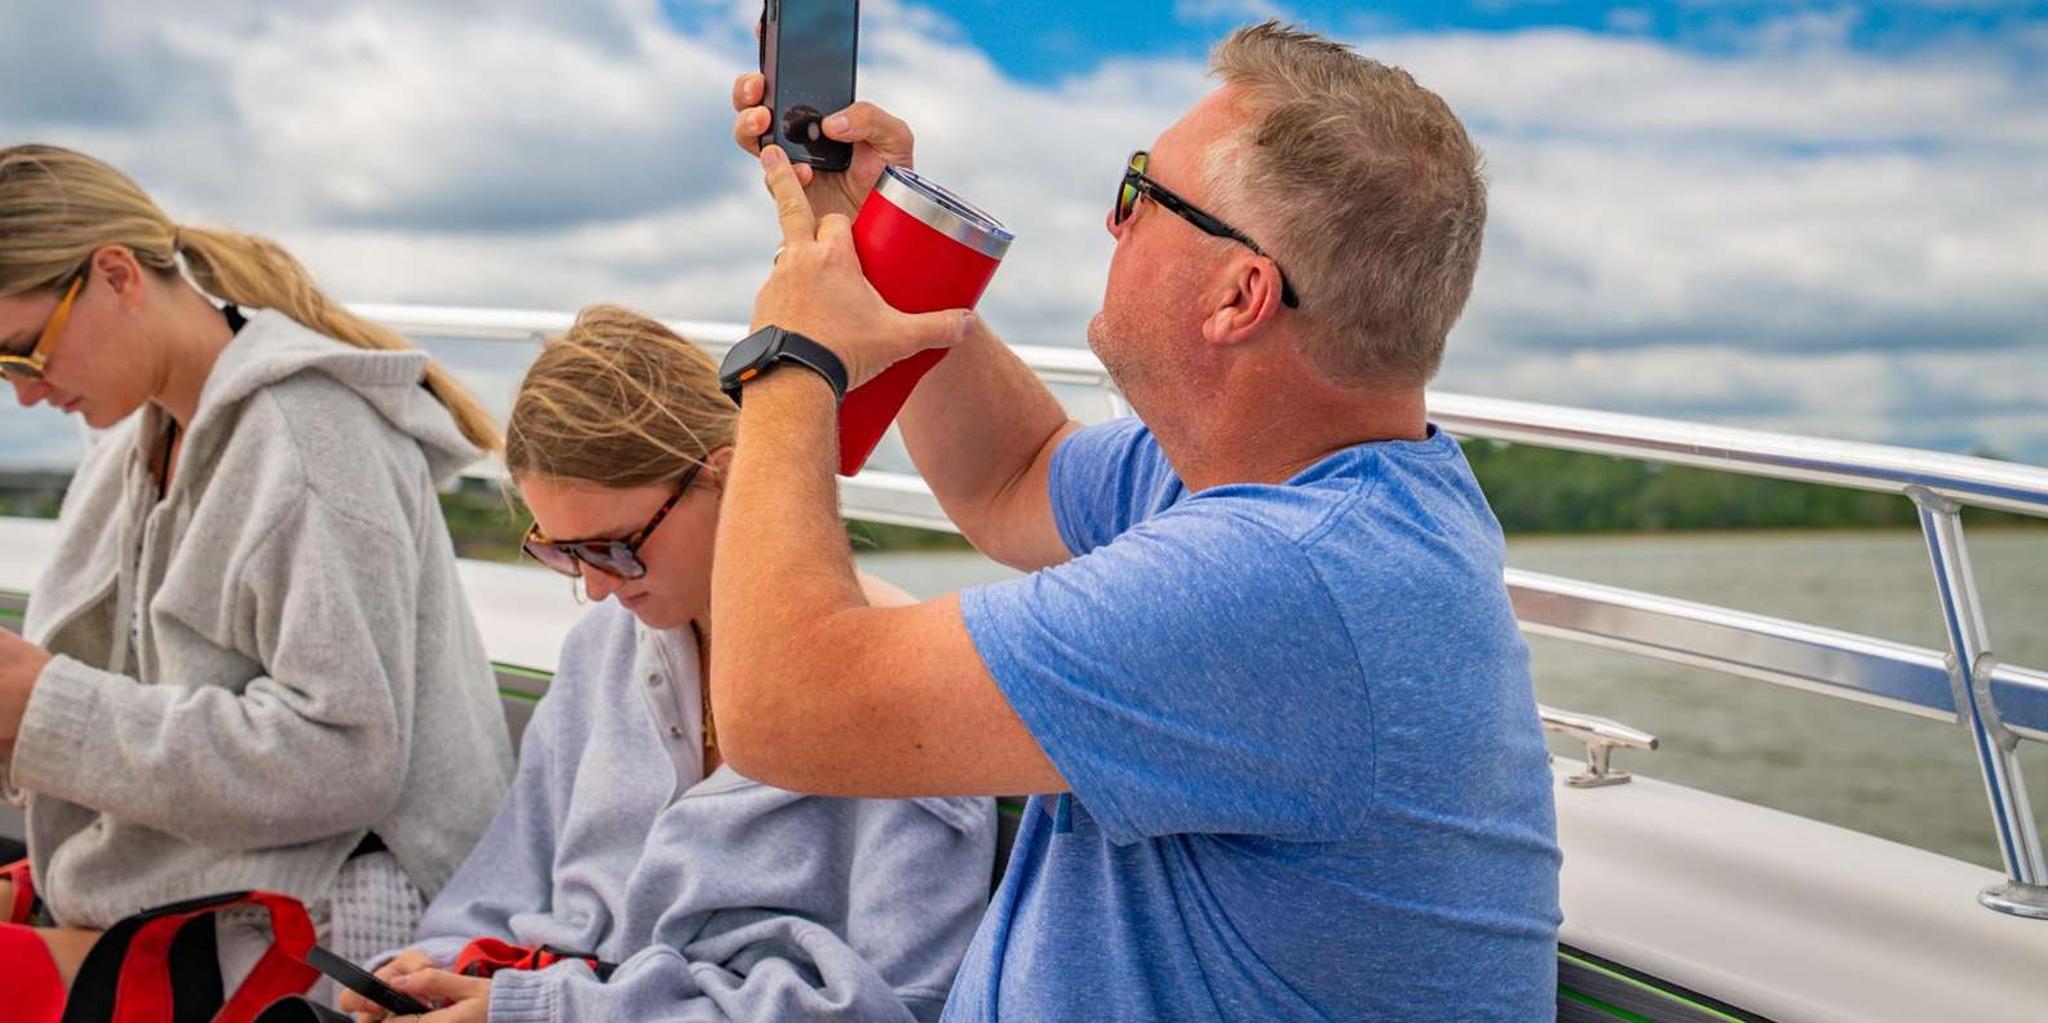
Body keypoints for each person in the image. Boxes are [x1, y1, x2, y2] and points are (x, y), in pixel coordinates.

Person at [715, 20, 1561, 1021]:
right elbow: (1011, 474)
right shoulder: (1294, 486)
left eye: (1140, 194)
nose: (1111, 224)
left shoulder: (1281, 583)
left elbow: (782, 710)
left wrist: (796, 356)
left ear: (1238, 294)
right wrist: (867, 235)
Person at [340, 307, 993, 1023]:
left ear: (727, 474)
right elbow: (497, 892)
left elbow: (902, 1006)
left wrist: (540, 1011)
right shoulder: (600, 650)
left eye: (615, 546)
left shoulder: (907, 689)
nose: (593, 586)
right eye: (562, 552)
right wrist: (435, 967)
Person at [0, 145, 514, 1001]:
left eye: (23, 352)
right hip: (190, 887)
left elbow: (347, 757)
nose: (22, 394)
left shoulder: (310, 436)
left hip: (330, 922)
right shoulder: (135, 444)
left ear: (117, 275)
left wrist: (43, 706)